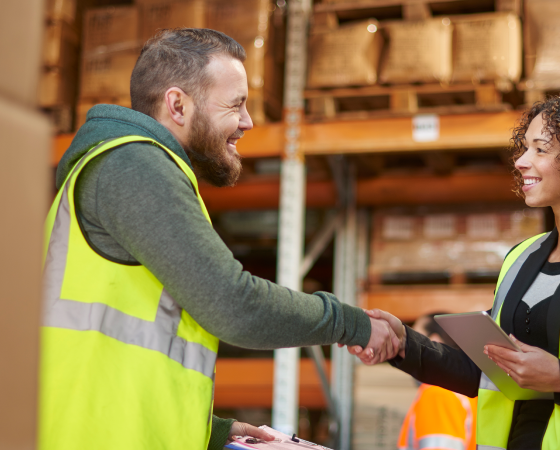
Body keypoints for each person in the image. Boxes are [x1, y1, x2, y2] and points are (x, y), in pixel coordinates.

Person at [39, 28, 397, 450]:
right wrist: (350, 324)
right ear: (177, 104)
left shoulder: (132, 168)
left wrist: (215, 431)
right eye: (236, 104)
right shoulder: (132, 165)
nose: (247, 121)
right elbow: (233, 304)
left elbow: (128, 364)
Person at [351, 92, 560, 450]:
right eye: (524, 148)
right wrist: (403, 344)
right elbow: (486, 371)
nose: (521, 161)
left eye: (540, 149)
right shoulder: (521, 258)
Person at [397, 314, 478, 450]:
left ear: (433, 341)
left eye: (414, 338)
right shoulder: (467, 389)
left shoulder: (439, 393)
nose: (406, 348)